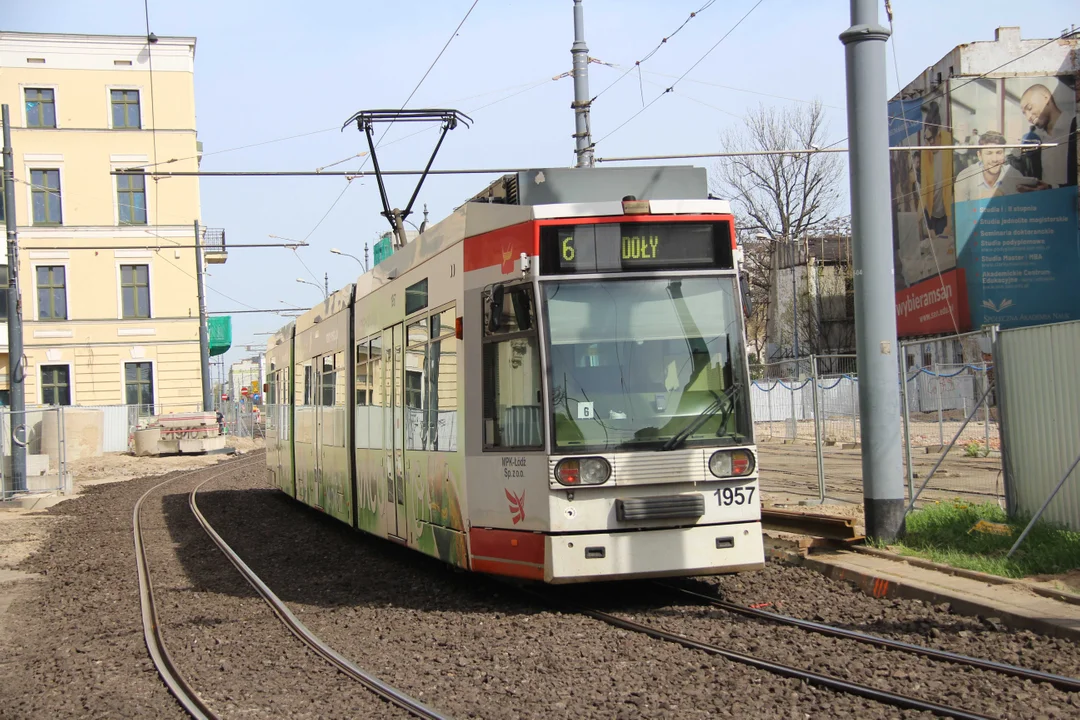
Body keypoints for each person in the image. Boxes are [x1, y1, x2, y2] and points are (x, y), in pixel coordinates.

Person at [1016, 82, 1078, 191]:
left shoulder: (1075, 127)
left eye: (1029, 108)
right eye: (1024, 113)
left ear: (1046, 98)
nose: (1028, 117)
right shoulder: (1036, 139)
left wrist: (1050, 189)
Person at [955, 131, 1028, 202]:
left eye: (999, 152)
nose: (994, 159)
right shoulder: (965, 177)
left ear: (1004, 154)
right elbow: (961, 212)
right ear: (979, 155)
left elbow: (1022, 209)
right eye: (989, 153)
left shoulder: (1013, 174)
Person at [918, 101, 953, 239]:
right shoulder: (925, 152)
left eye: (931, 139)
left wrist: (949, 223)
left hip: (948, 212)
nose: (928, 144)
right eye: (926, 139)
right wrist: (927, 224)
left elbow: (949, 186)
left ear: (938, 132)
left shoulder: (948, 141)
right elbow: (925, 188)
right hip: (933, 213)